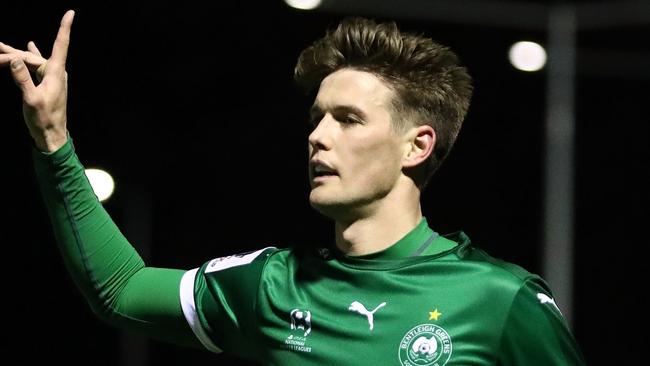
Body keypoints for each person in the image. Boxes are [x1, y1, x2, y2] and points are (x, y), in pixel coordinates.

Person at [1, 9, 586, 366]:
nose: (318, 137)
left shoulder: (499, 300)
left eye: (348, 119)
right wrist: (53, 137)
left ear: (418, 146)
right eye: (316, 118)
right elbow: (122, 291)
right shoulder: (272, 284)